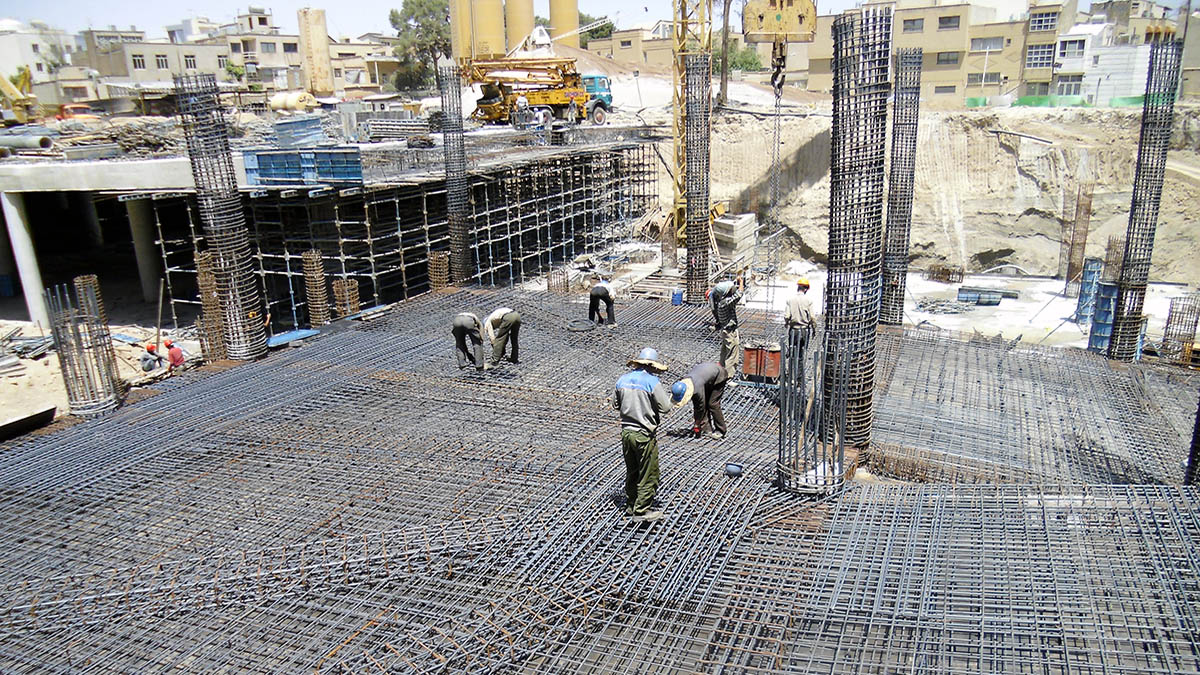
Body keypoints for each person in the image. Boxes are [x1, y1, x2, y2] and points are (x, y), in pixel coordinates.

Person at [613, 347, 674, 522]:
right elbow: (666, 408)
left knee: (632, 471)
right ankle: (641, 511)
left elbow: (616, 404)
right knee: (649, 473)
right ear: (650, 365)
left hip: (626, 433)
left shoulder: (622, 380)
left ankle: (631, 504)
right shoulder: (652, 382)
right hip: (643, 434)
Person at [671, 361, 729, 440]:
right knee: (702, 403)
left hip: (719, 375)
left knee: (712, 403)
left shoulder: (696, 389)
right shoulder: (686, 382)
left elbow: (700, 407)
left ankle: (721, 430)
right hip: (707, 376)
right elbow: (698, 405)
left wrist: (697, 423)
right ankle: (706, 429)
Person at [708, 279, 743, 379]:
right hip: (730, 332)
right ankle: (728, 377)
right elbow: (739, 294)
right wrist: (741, 282)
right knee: (732, 355)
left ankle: (721, 371)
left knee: (724, 352)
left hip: (725, 331)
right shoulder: (725, 303)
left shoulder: (719, 302)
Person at [784, 277, 816, 353]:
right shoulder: (809, 301)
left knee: (792, 353)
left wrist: (787, 323)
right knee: (801, 354)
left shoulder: (790, 300)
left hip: (794, 330)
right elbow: (812, 317)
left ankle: (792, 364)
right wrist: (814, 329)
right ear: (806, 289)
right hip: (804, 330)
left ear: (798, 287)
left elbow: (787, 316)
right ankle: (800, 365)